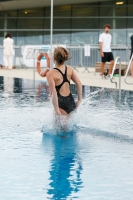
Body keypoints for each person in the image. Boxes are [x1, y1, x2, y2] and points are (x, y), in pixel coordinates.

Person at [36, 47, 82, 117]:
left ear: (54, 58)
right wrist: (79, 100)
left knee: (57, 127)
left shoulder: (50, 74)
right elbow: (79, 83)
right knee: (70, 125)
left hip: (60, 104)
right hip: (71, 102)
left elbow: (53, 92)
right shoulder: (70, 69)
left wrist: (56, 109)